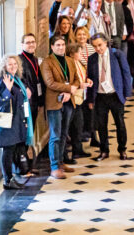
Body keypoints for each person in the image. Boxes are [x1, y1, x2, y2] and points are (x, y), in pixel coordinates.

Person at [41, 34, 84, 179]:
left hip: (68, 101)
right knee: (55, 135)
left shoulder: (70, 61)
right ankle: (54, 167)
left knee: (64, 133)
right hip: (55, 102)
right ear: (52, 47)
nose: (61, 47)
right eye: (57, 45)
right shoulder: (47, 62)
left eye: (62, 45)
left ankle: (60, 162)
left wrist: (71, 89)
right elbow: (50, 83)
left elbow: (77, 79)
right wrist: (68, 89)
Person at [86, 34, 133, 161]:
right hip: (100, 96)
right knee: (101, 125)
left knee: (120, 123)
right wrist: (90, 99)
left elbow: (126, 73)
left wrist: (127, 93)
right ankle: (104, 150)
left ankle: (122, 149)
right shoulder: (92, 59)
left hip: (115, 95)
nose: (98, 49)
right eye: (95, 46)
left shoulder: (117, 55)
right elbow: (89, 80)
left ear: (106, 43)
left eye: (100, 45)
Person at [0, 55, 34, 190]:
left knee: (13, 149)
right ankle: (7, 180)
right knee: (8, 150)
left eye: (15, 64)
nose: (13, 67)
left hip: (16, 122)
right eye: (10, 65)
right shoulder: (3, 81)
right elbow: (0, 103)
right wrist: (8, 90)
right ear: (4, 66)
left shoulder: (16, 79)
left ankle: (12, 176)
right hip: (7, 124)